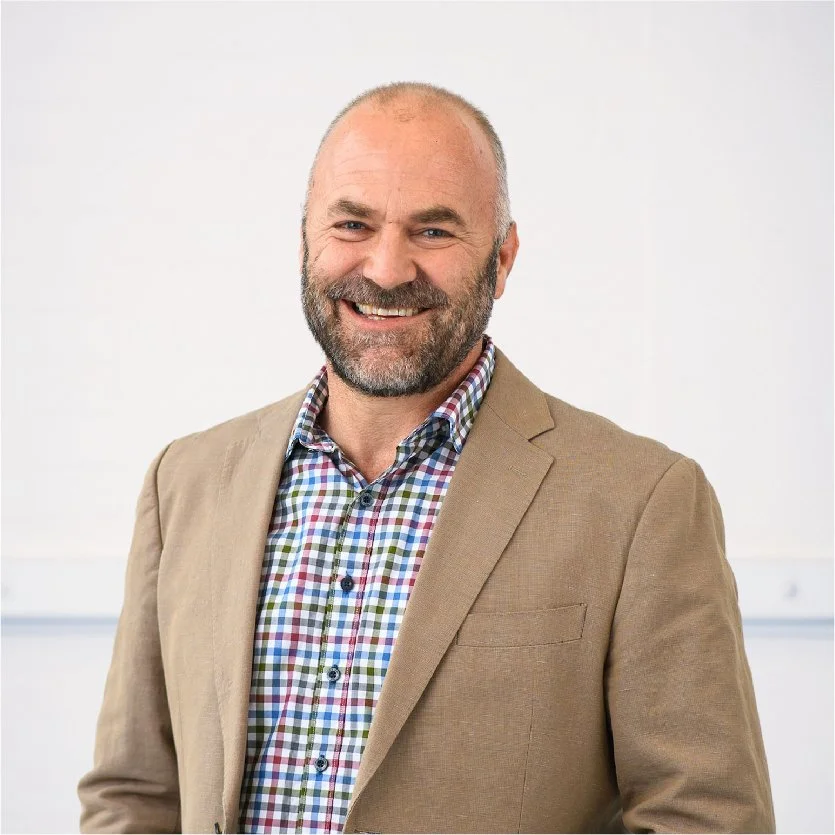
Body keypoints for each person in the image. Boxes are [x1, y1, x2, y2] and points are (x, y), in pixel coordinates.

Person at [78, 81, 775, 834]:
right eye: (352, 224)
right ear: (305, 239)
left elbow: (704, 817)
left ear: (502, 259)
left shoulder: (641, 501)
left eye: (434, 231)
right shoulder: (186, 481)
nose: (385, 269)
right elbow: (133, 795)